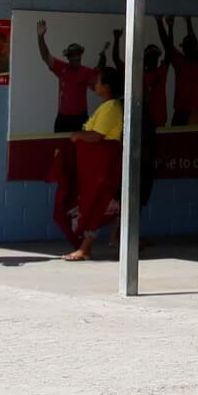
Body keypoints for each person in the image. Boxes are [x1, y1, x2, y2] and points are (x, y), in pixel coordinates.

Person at [62, 66, 126, 260]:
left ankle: (86, 248)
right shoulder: (106, 106)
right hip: (96, 167)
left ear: (107, 86)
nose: (94, 84)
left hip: (103, 166)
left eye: (98, 81)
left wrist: (78, 135)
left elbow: (98, 136)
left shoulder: (112, 107)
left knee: (98, 203)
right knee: (93, 203)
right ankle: (86, 247)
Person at [35, 19, 98, 134]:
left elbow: (98, 88)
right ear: (68, 57)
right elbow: (45, 56)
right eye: (73, 56)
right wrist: (40, 37)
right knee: (61, 150)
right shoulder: (61, 68)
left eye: (78, 56)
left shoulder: (87, 72)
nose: (77, 59)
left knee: (79, 150)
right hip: (63, 119)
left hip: (81, 118)